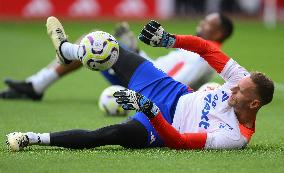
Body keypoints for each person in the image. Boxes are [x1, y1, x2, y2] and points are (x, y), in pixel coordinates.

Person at [6, 17, 274, 151]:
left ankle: (31, 138)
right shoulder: (240, 78)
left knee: (108, 135)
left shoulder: (235, 138)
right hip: (169, 89)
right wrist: (169, 39)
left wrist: (150, 110)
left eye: (240, 90)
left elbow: (179, 141)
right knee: (106, 44)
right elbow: (205, 48)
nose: (233, 87)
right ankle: (68, 51)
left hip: (164, 124)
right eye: (237, 84)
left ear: (254, 103)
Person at [0, 12, 233, 100]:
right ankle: (38, 83)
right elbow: (161, 67)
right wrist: (137, 50)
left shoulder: (204, 57)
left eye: (207, 22)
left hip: (142, 86)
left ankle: (44, 76)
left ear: (219, 32)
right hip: (141, 75)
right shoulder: (197, 49)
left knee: (93, 40)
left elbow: (168, 81)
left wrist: (134, 53)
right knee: (93, 40)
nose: (201, 23)